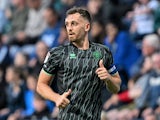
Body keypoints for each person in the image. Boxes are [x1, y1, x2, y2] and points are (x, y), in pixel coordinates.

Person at [36, 7, 121, 120]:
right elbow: (40, 85)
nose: (69, 28)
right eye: (67, 24)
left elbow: (117, 86)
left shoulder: (103, 52)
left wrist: (108, 78)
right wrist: (56, 98)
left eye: (74, 24)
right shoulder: (57, 54)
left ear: (87, 26)